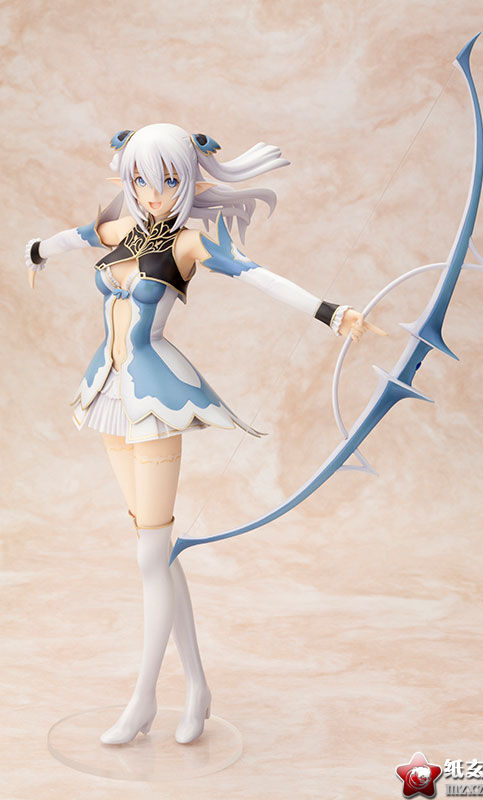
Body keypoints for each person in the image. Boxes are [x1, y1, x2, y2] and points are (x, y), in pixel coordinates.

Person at [25, 123, 384, 746]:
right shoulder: (121, 228)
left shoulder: (189, 243)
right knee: (158, 552)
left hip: (156, 397)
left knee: (150, 555)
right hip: (108, 391)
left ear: (189, 179)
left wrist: (331, 314)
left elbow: (256, 275)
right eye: (141, 179)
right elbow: (72, 238)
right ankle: (197, 688)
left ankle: (143, 700)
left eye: (168, 179)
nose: (153, 192)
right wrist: (35, 252)